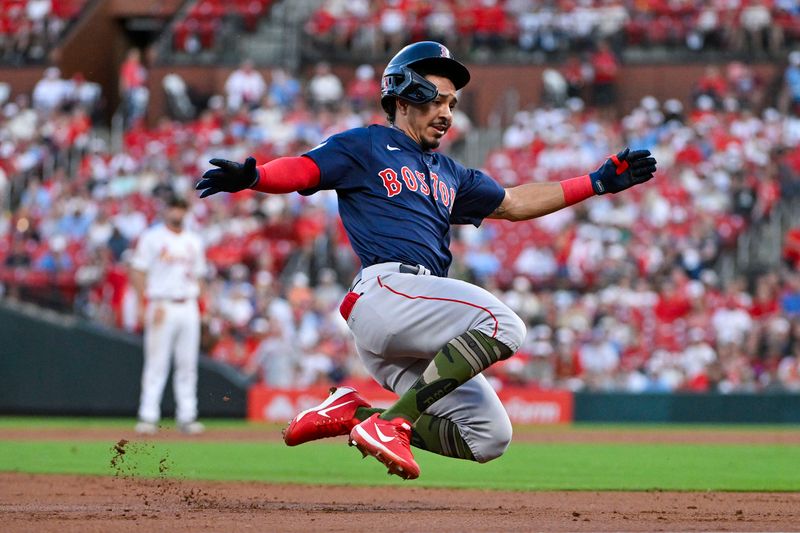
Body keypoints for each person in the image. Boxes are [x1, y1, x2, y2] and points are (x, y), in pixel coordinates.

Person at [196, 41, 657, 478]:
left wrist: (594, 183)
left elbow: (514, 202)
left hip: (414, 321)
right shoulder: (367, 146)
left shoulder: (451, 172)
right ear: (404, 95)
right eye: (437, 100)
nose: (447, 113)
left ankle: (355, 414)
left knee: (489, 438)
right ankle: (388, 425)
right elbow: (305, 169)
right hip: (387, 292)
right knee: (505, 324)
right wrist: (256, 176)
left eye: (452, 104)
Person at [131, 195, 207, 435]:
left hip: (188, 304)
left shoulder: (194, 240)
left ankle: (187, 416)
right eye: (174, 207)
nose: (178, 212)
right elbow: (138, 271)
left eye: (182, 208)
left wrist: (203, 308)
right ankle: (148, 415)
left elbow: (200, 276)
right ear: (166, 210)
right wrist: (145, 302)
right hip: (162, 303)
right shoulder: (152, 238)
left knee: (188, 364)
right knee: (157, 363)